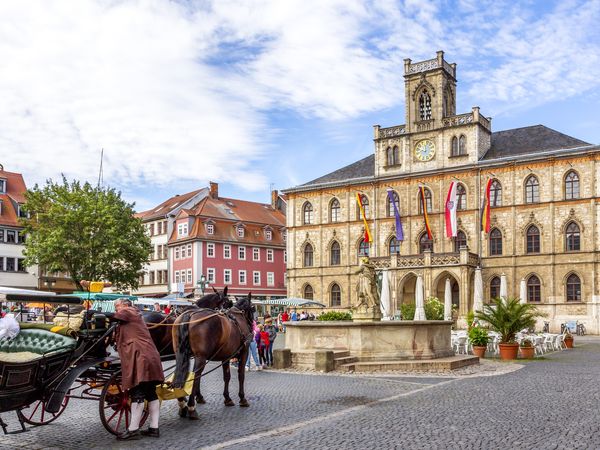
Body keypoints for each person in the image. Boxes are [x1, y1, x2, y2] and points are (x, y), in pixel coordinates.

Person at [109, 298, 164, 440]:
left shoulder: (130, 311)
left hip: (142, 358)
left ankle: (133, 430)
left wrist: (93, 313)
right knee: (151, 393)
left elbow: (113, 316)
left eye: (117, 306)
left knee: (137, 392)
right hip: (148, 357)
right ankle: (154, 428)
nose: (116, 309)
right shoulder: (132, 316)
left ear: (126, 305)